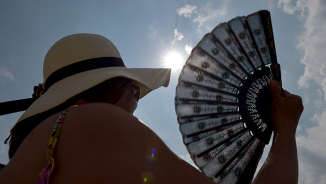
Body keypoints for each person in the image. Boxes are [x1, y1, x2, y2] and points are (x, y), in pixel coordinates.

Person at [0, 33, 303, 184]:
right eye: (134, 90)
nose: (135, 102)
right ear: (111, 88)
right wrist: (285, 129)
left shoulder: (31, 152)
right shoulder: (90, 120)